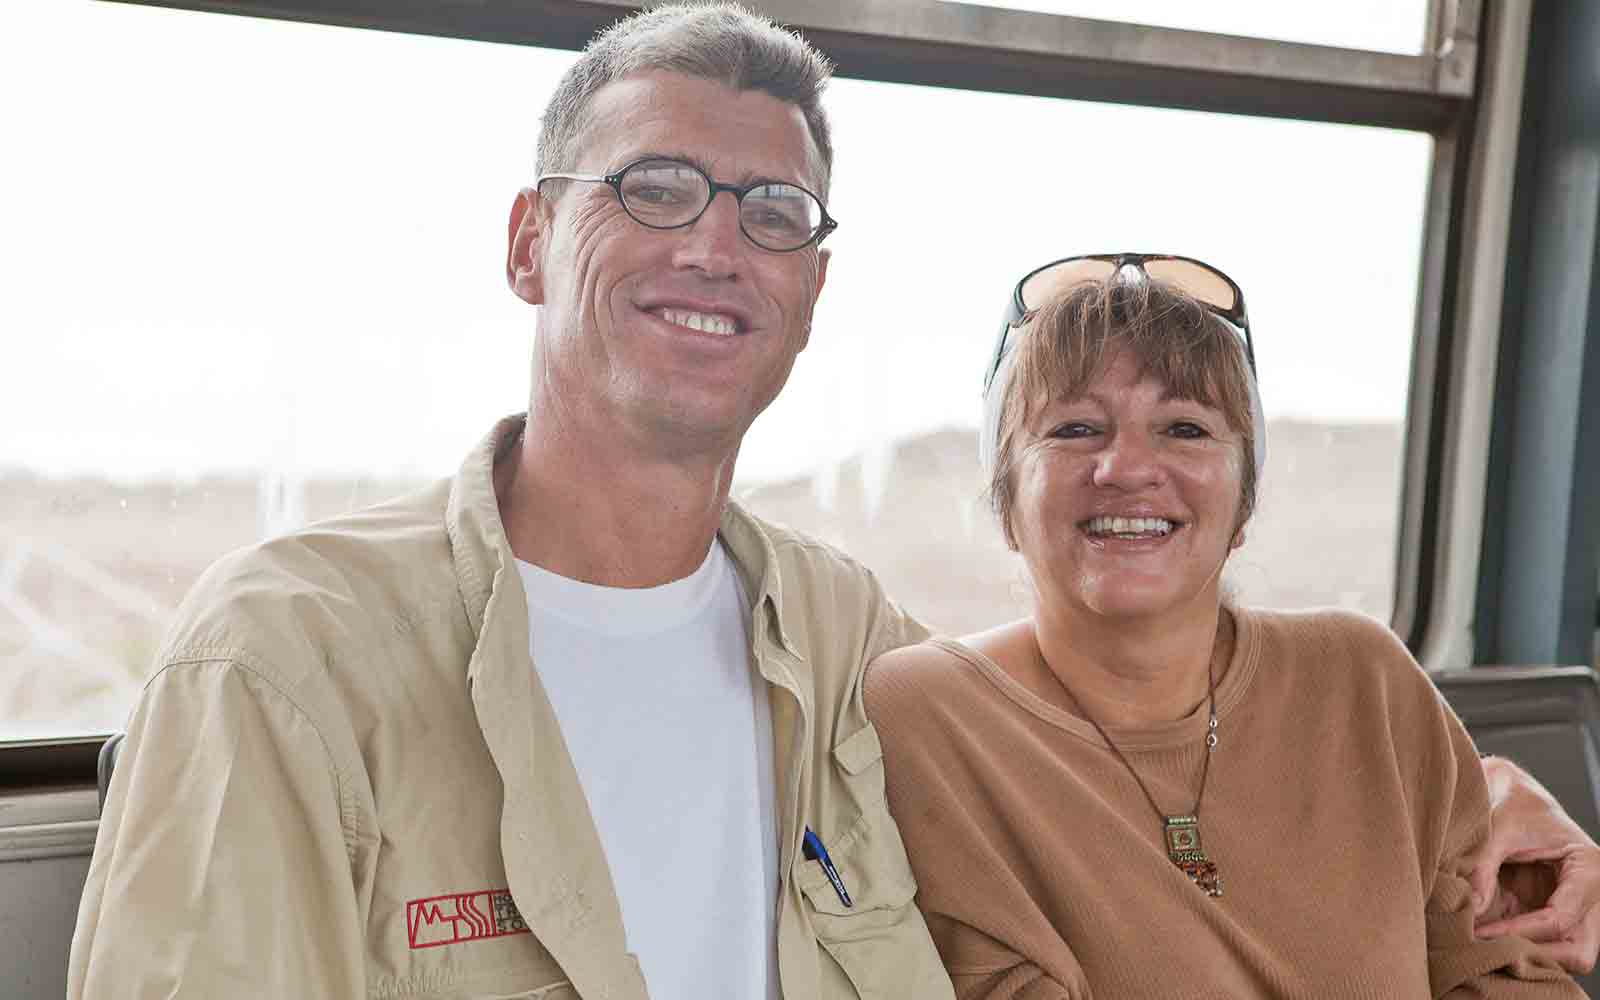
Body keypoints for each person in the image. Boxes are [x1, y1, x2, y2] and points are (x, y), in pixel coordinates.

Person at [64, 6, 1600, 998]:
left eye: (775, 212)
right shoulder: (292, 658)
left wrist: (1479, 819)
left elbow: (1124, 732)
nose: (715, 245)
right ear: (529, 242)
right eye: (653, 188)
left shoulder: (843, 637)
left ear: (810, 289)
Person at [865, 255, 1590, 997]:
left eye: (1185, 428)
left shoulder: (1363, 677)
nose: (1127, 468)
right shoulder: (926, 715)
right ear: (1005, 499)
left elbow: (1500, 971)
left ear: (1244, 502)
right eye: (1076, 428)